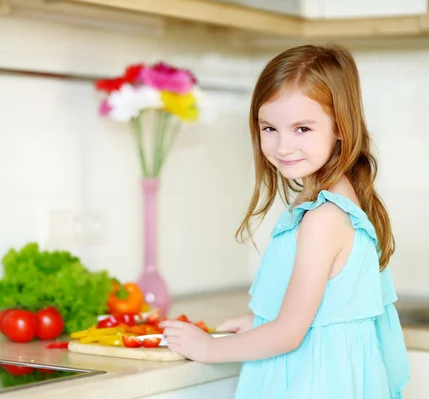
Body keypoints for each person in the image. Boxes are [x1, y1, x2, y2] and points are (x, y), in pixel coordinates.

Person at [160, 44, 410, 398]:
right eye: (269, 128)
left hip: (315, 384)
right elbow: (327, 311)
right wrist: (259, 322)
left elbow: (290, 333)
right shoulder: (338, 199)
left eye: (302, 129)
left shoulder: (323, 218)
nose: (282, 146)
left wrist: (210, 349)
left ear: (341, 126)